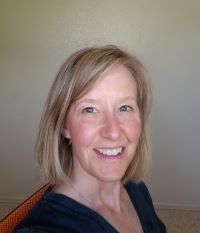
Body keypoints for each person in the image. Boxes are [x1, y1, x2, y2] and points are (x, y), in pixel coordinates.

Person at [14, 45, 166, 233]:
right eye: (89, 110)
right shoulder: (45, 228)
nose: (113, 132)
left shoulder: (137, 190)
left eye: (125, 108)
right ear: (64, 126)